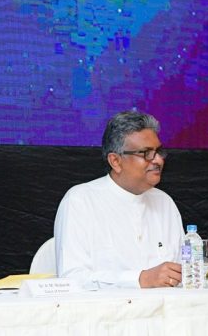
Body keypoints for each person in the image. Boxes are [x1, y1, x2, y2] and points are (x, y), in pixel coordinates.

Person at [53, 110, 185, 288]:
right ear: (115, 161)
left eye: (159, 151)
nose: (159, 160)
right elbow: (72, 279)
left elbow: (185, 271)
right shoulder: (80, 201)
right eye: (146, 153)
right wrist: (140, 280)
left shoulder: (164, 202)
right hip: (106, 306)